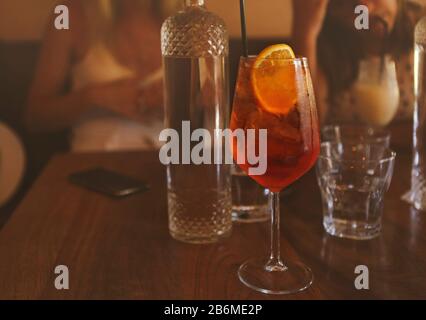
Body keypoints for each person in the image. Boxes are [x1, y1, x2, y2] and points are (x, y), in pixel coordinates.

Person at [25, 0, 178, 152]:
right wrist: (94, 98)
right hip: (96, 165)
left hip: (179, 164)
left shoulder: (195, 14)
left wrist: (182, 101)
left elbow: (201, 103)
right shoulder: (65, 15)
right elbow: (35, 117)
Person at [292, 0, 424, 145]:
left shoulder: (421, 30)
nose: (365, 8)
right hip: (344, 165)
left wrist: (363, 137)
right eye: (348, 2)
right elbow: (311, 131)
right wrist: (305, 34)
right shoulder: (328, 46)